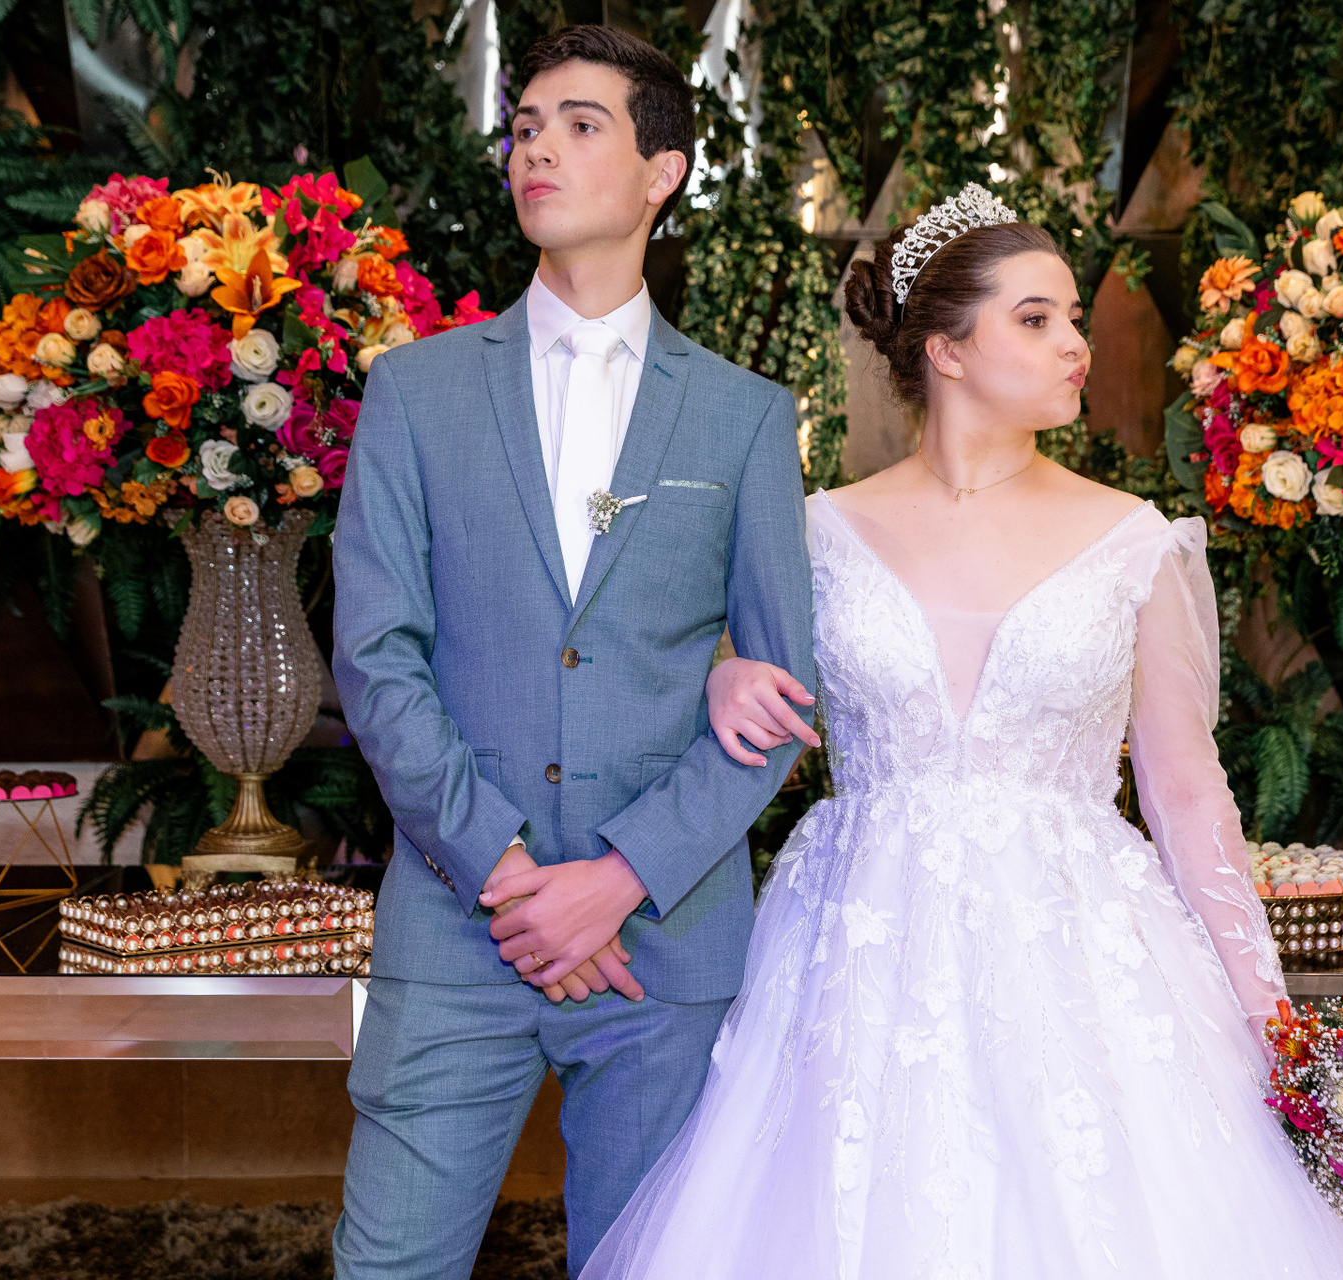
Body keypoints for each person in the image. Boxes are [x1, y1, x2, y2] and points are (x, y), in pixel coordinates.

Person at [582, 186, 1343, 1278]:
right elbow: (690, 670)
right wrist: (721, 675)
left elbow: (1187, 791)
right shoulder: (813, 533)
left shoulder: (1135, 541)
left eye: (1074, 318)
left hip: (1084, 965)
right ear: (946, 350)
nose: (1076, 345)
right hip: (857, 959)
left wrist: (1267, 1015)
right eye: (1036, 318)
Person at [328, 24, 817, 1279]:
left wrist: (619, 875)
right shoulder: (415, 391)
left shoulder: (746, 416)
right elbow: (377, 656)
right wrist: (503, 872)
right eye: (525, 125)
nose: (537, 147)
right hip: (455, 928)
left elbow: (781, 695)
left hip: (666, 943)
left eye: (580, 124)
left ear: (662, 172)